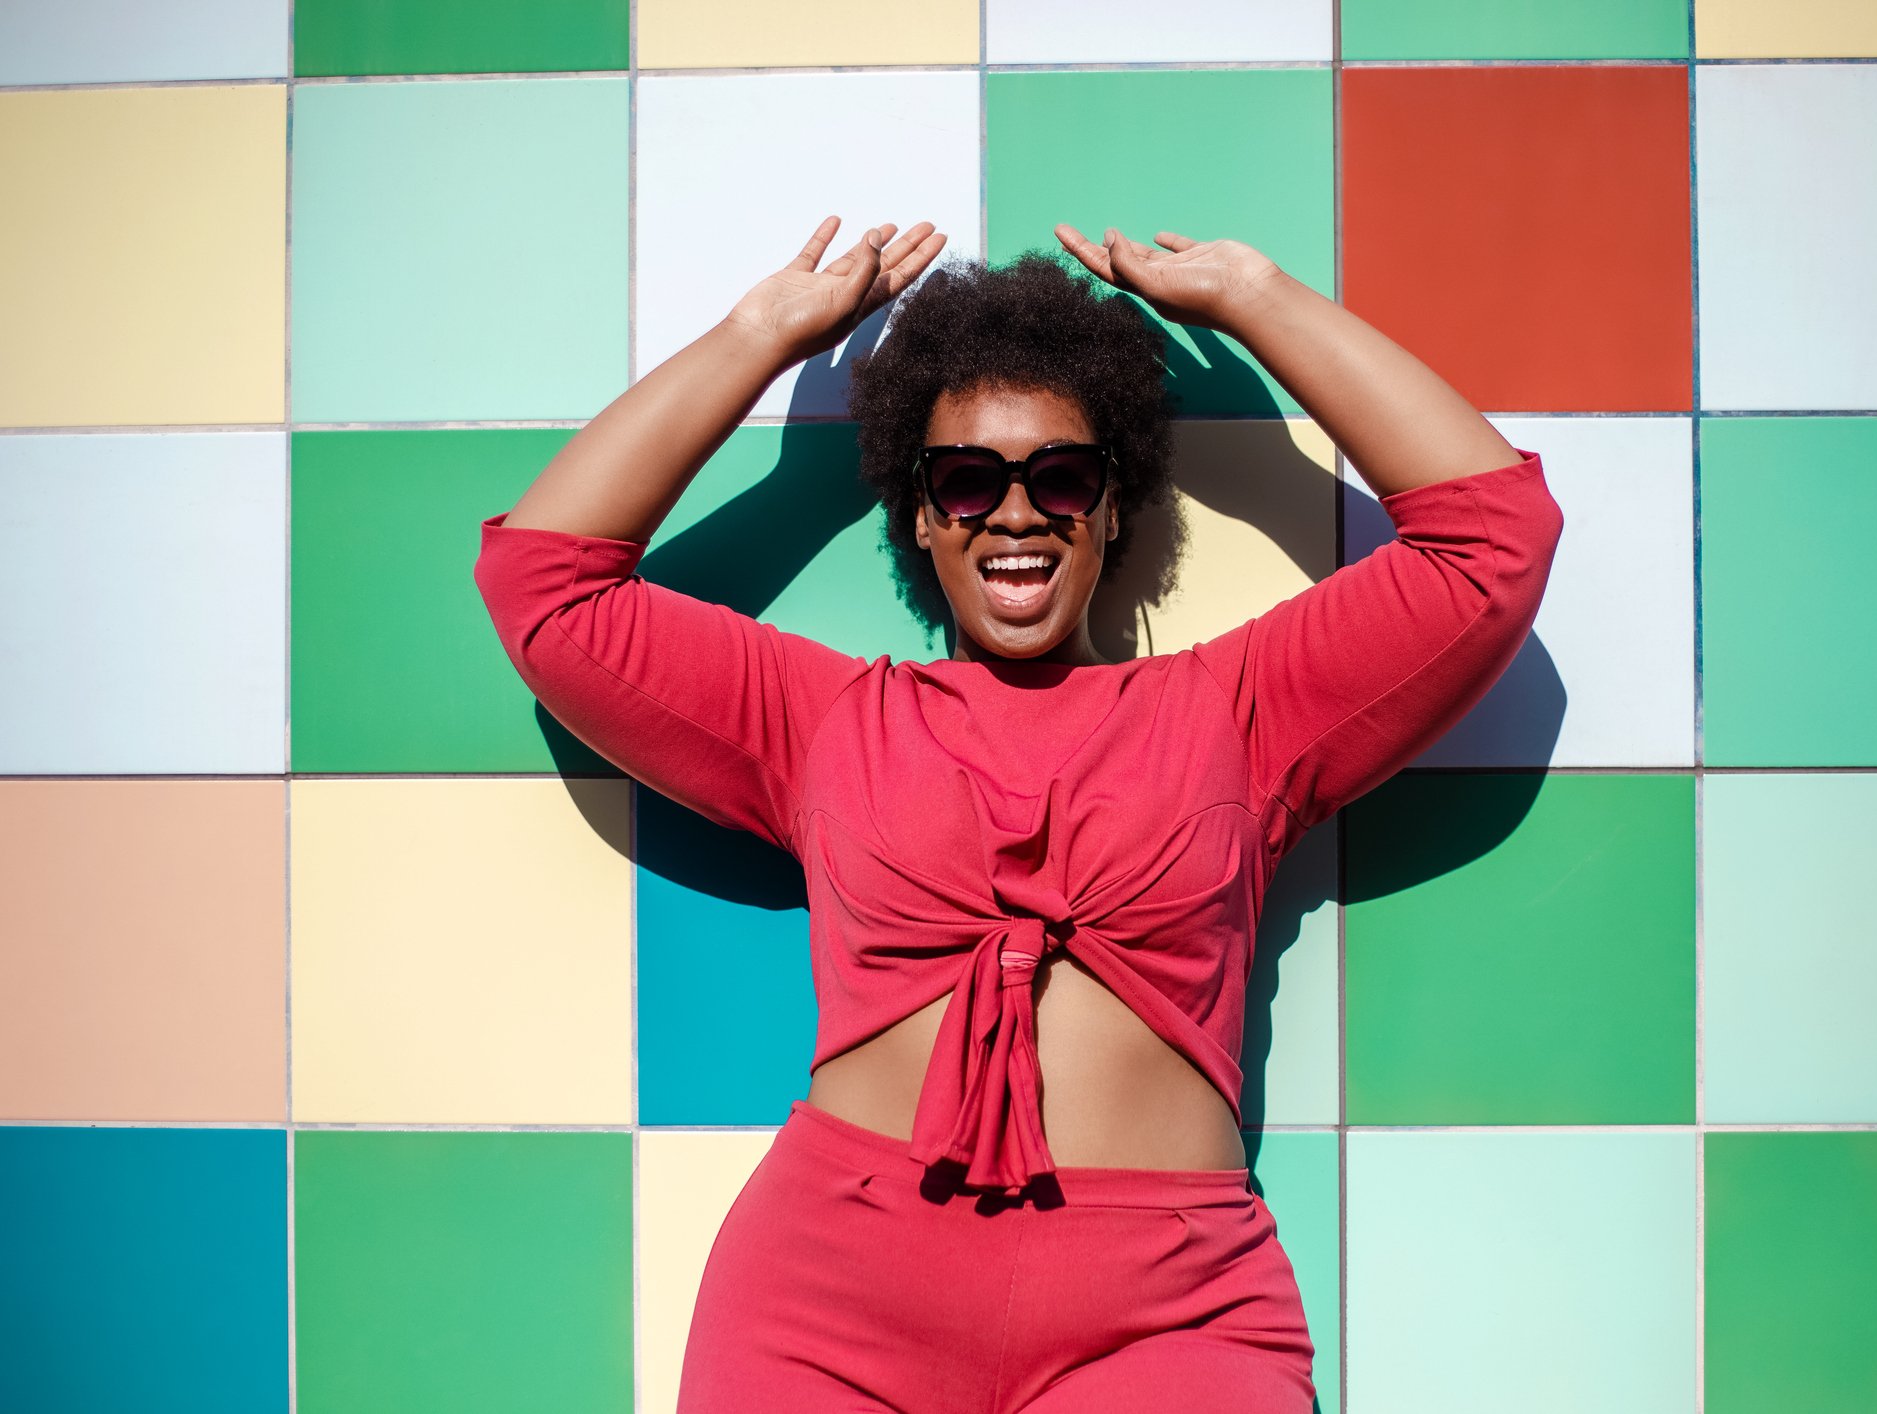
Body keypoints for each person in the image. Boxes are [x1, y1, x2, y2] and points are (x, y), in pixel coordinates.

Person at [473, 215, 1564, 1413]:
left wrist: (1254, 295)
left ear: (1111, 504)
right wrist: (760, 334)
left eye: (1062, 477)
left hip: (1169, 1320)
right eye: (965, 480)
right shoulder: (822, 719)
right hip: (825, 1309)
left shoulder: (1240, 709)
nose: (1015, 512)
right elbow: (544, 585)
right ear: (921, 513)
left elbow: (1492, 540)